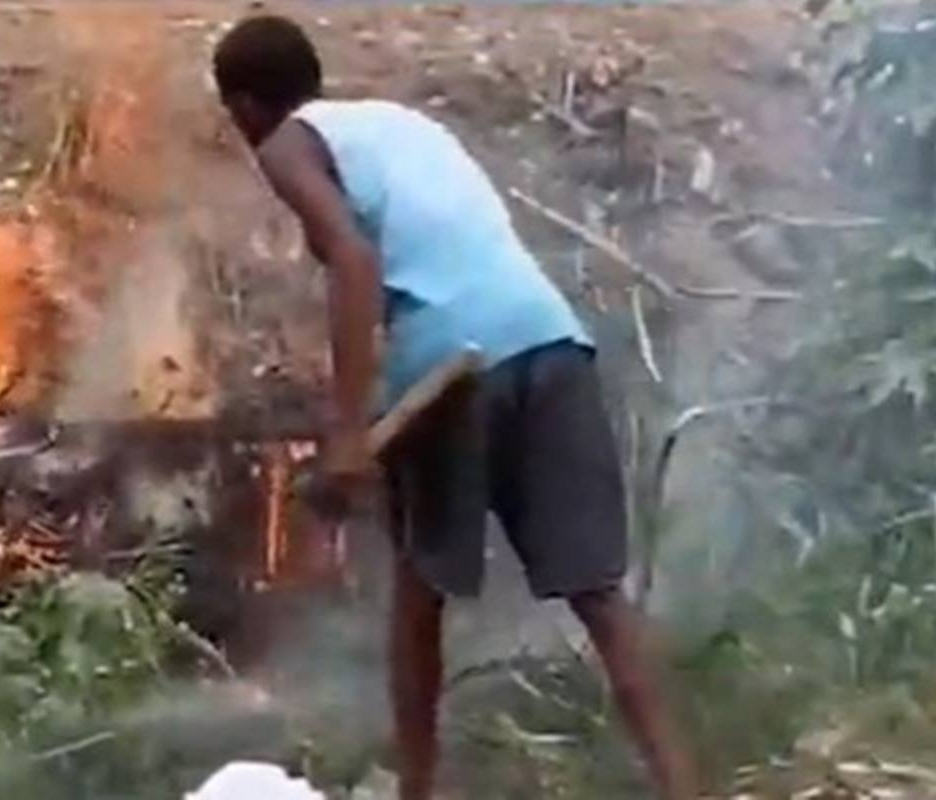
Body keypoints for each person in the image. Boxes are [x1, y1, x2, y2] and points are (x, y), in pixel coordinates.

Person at [212, 15, 696, 800]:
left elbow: (354, 259)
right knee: (599, 593)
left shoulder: (287, 144)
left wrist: (343, 437)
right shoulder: (396, 125)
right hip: (549, 337)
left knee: (418, 595)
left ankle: (418, 793)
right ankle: (683, 786)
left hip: (451, 360)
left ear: (243, 105)